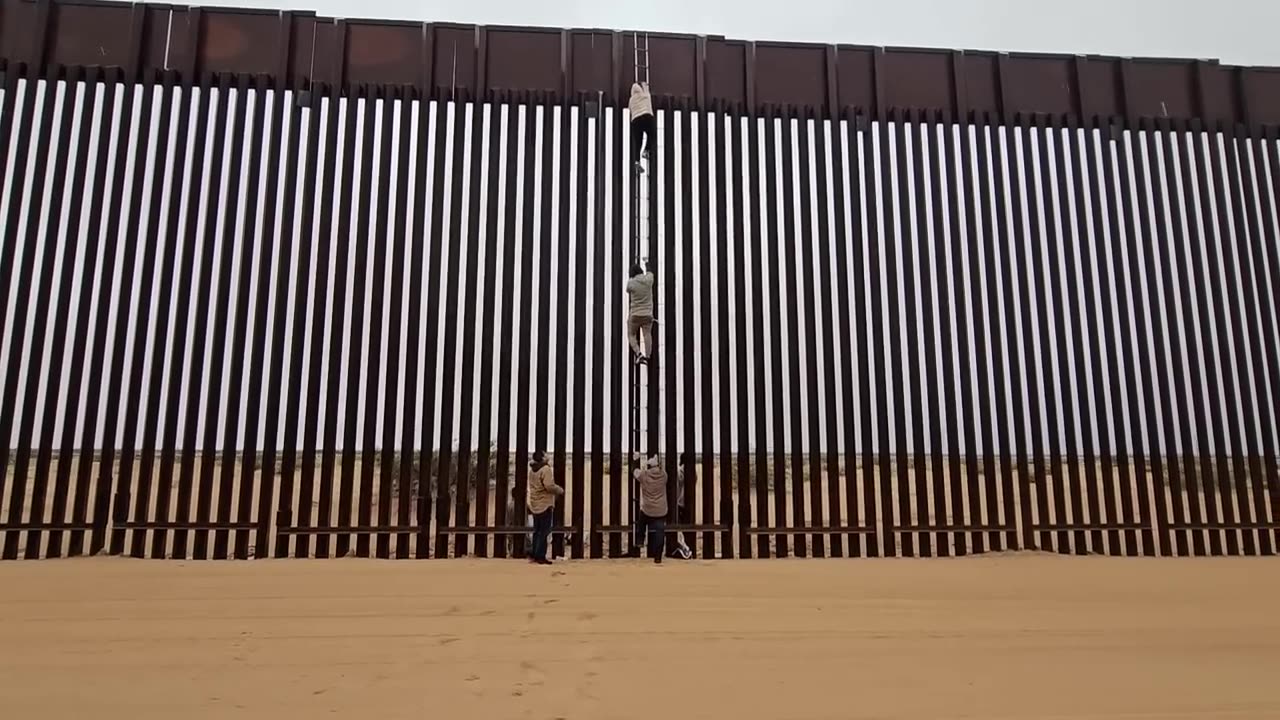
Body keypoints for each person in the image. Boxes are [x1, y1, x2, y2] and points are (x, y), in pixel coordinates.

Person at [526, 451, 563, 565]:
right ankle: (540, 556)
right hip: (545, 504)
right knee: (544, 531)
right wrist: (559, 490)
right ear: (542, 458)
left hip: (535, 503)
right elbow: (549, 486)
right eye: (545, 454)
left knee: (537, 530)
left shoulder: (532, 470)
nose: (547, 456)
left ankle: (534, 553)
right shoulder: (546, 469)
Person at [633, 454, 669, 563]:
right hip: (661, 510)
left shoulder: (644, 476)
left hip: (648, 509)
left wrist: (636, 459)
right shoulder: (664, 476)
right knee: (660, 532)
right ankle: (658, 557)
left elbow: (634, 471)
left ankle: (640, 540)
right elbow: (663, 468)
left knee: (641, 522)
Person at [626, 263, 655, 363]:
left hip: (635, 315)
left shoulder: (631, 283)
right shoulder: (649, 280)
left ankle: (638, 354)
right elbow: (650, 271)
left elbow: (627, 289)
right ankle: (648, 355)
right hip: (648, 315)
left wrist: (631, 277)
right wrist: (647, 263)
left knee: (631, 335)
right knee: (647, 334)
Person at [669, 453, 693, 559]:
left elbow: (677, 488)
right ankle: (688, 547)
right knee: (687, 528)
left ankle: (682, 548)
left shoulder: (680, 472)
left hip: (679, 503)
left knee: (679, 527)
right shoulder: (693, 472)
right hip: (688, 503)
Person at [629, 82, 655, 172]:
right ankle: (646, 150)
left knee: (638, 142)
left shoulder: (631, 100)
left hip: (635, 120)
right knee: (651, 134)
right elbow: (648, 93)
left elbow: (630, 110)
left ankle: (637, 161)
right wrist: (645, 85)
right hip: (646, 116)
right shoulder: (644, 95)